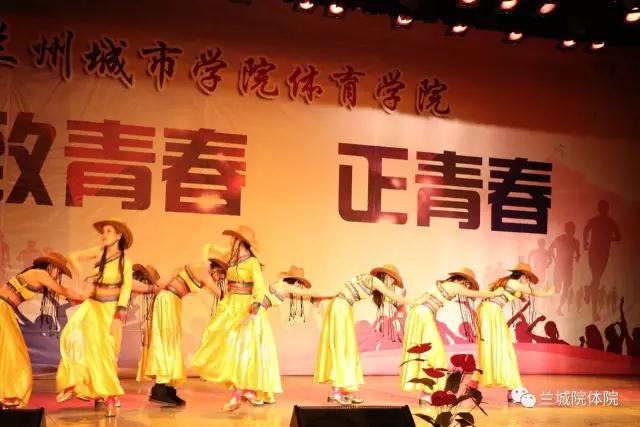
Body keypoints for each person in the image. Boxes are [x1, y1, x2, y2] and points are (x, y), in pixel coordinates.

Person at [56, 218, 134, 417]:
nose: (104, 235)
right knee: (73, 336)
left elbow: (126, 289)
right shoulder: (99, 253)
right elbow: (73, 256)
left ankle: (109, 394)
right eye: (103, 231)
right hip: (92, 306)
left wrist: (119, 315)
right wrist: (78, 270)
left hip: (110, 310)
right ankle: (75, 381)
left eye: (109, 231)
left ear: (119, 235)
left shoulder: (125, 262)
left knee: (105, 352)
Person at [314, 264, 414, 405]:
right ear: (386, 276)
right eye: (393, 280)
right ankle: (336, 391)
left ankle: (345, 390)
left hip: (344, 308)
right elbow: (392, 296)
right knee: (342, 349)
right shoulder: (374, 280)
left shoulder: (371, 283)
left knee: (349, 350)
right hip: (341, 308)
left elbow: (389, 299)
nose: (392, 284)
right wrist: (415, 302)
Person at [137, 250, 227, 406]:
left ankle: (168, 388)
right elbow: (220, 294)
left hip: (173, 301)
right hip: (167, 300)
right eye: (220, 275)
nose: (219, 279)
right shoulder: (203, 271)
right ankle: (159, 389)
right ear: (216, 269)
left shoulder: (201, 270)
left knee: (172, 344)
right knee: (166, 343)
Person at [400, 267, 502, 405]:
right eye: (467, 284)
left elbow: (431, 306)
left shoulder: (444, 286)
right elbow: (474, 294)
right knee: (437, 356)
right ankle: (429, 393)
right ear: (463, 281)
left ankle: (427, 393)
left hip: (420, 314)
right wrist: (495, 293)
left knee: (429, 355)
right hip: (423, 315)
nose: (466, 288)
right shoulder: (454, 286)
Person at [0, 252, 84, 408]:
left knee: (10, 353)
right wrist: (85, 296)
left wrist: (77, 299)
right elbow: (62, 290)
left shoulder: (39, 278)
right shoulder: (40, 274)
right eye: (59, 271)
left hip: (5, 309)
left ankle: (7, 394)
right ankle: (8, 394)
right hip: (2, 308)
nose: (58, 275)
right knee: (13, 354)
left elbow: (62, 295)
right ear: (51, 266)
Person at [468, 262, 554, 402]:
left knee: (489, 350)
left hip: (485, 312)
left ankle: (474, 383)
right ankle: (514, 390)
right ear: (523, 275)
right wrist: (549, 292)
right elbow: (534, 292)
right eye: (527, 278)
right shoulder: (515, 283)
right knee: (506, 351)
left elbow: (517, 294)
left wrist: (520, 296)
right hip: (492, 313)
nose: (527, 281)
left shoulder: (503, 282)